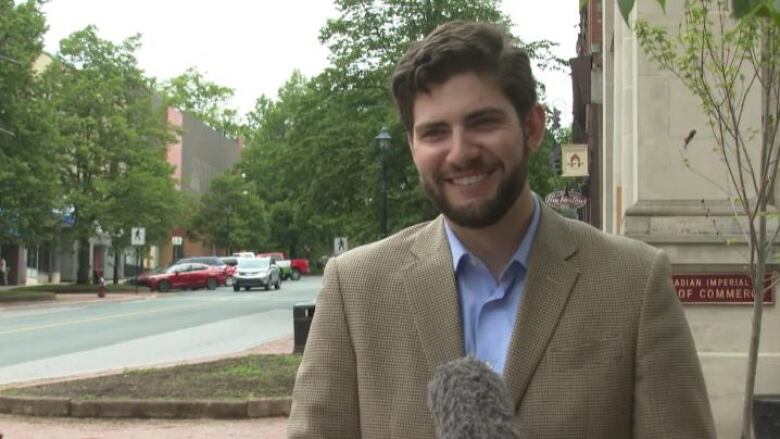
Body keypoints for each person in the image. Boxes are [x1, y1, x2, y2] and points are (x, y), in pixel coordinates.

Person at [288, 21, 715, 438]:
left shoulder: (633, 284)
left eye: (483, 123)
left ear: (531, 127)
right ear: (413, 147)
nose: (460, 153)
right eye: (435, 132)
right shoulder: (356, 290)